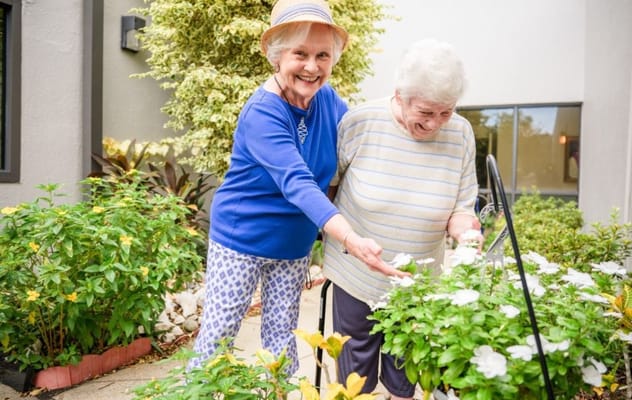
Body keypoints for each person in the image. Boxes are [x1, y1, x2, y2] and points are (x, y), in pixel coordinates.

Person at [187, 0, 407, 376]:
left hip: (293, 245)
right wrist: (350, 240)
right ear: (276, 57)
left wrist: (410, 113)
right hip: (242, 238)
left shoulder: (329, 101)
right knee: (219, 335)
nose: (312, 66)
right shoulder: (263, 112)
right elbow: (299, 183)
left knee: (282, 338)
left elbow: (361, 140)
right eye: (300, 54)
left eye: (323, 55)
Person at [322, 38, 483, 399]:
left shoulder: (460, 133)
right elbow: (328, 189)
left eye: (446, 112)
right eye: (425, 112)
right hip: (356, 275)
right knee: (355, 382)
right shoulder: (360, 122)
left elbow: (461, 208)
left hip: (418, 285)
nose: (436, 124)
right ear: (399, 95)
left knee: (403, 379)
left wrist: (467, 236)